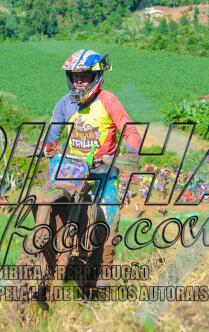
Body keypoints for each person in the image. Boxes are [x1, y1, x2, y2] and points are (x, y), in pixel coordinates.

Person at [43, 49, 142, 271]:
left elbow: (131, 132)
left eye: (84, 77)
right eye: (75, 77)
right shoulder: (63, 104)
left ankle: (104, 268)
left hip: (102, 171)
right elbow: (52, 137)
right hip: (71, 169)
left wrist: (131, 154)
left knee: (109, 217)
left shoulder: (108, 100)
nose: (78, 82)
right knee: (48, 199)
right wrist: (42, 148)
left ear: (96, 77)